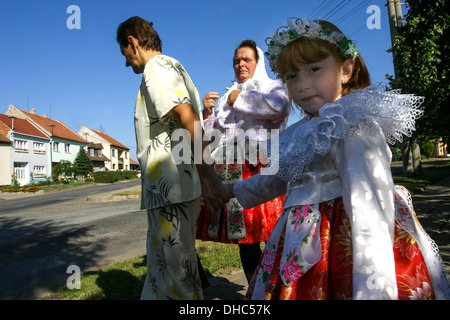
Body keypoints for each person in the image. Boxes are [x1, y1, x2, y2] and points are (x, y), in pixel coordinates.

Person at [225, 18, 449, 300]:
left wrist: (374, 290)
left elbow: (369, 204)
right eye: (292, 76)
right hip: (297, 238)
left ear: (346, 69)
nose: (303, 84)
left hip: (342, 241)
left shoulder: (351, 124)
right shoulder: (300, 131)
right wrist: (232, 190)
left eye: (315, 69)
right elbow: (280, 177)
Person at [116, 16, 228, 300]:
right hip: (170, 190)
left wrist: (208, 176)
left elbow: (188, 117)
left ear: (132, 42)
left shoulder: (157, 67)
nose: (127, 63)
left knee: (176, 278)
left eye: (125, 55)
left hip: (172, 189)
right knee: (166, 273)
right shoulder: (169, 66)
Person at [196, 40, 290, 283]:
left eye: (246, 59)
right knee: (247, 239)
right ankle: (256, 292)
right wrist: (207, 113)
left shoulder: (273, 86)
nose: (240, 64)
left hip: (263, 167)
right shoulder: (228, 93)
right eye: (237, 60)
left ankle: (283, 287)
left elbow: (278, 108)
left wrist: (240, 98)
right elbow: (212, 135)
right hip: (233, 168)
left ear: (257, 62)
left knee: (274, 233)